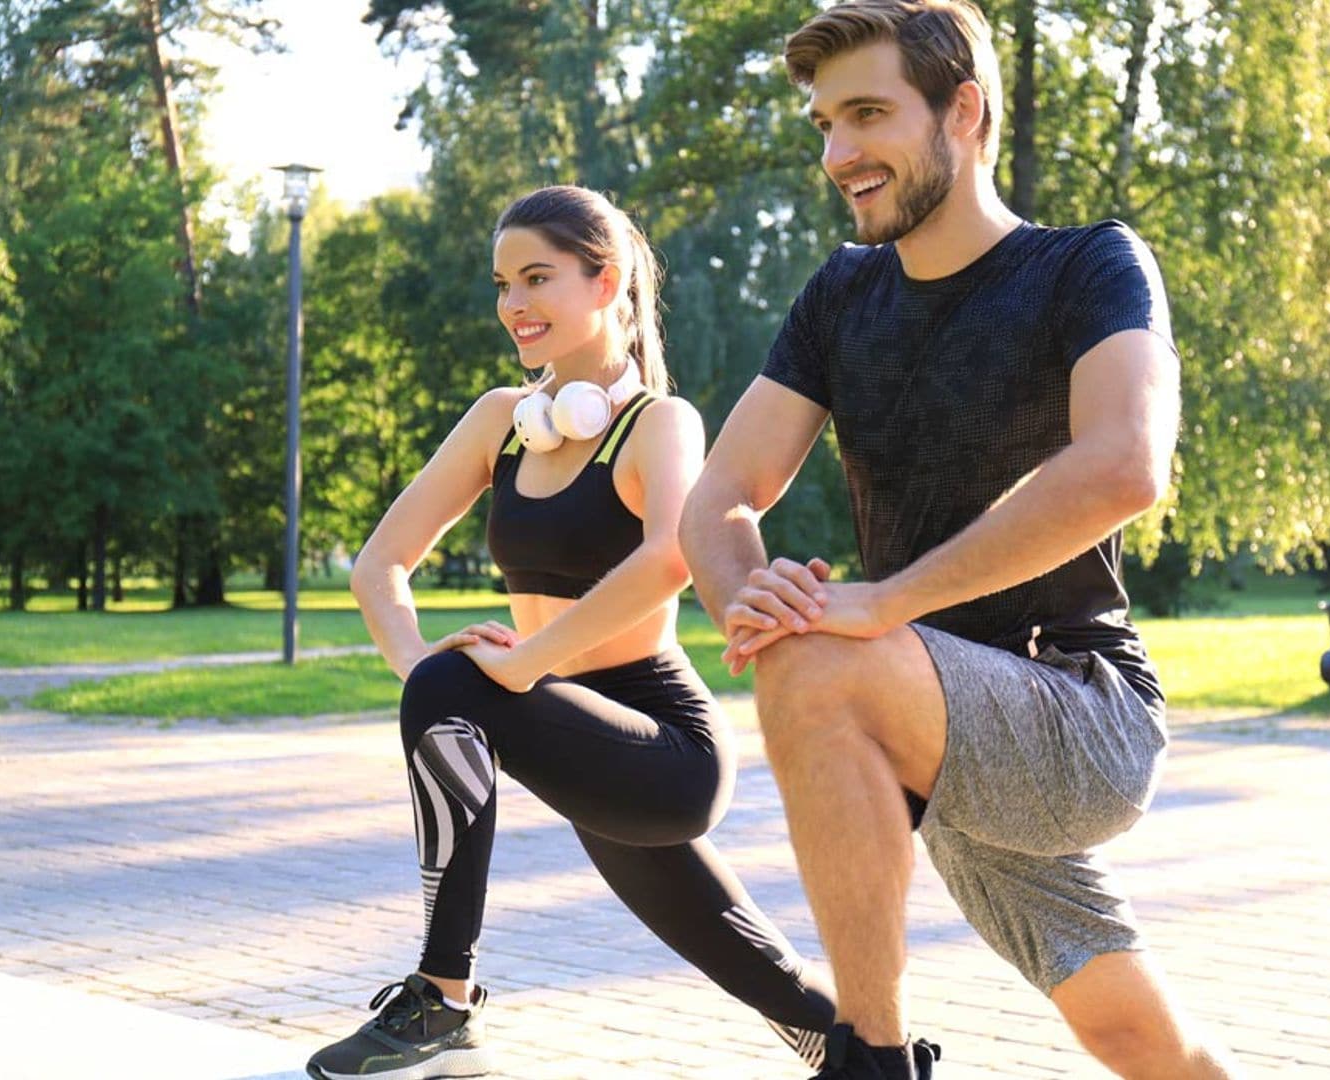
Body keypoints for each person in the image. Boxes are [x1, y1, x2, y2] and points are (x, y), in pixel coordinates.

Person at [679, 3, 1243, 1079]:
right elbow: (715, 505)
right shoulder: (845, 292)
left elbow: (1127, 462)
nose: (840, 153)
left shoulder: (1088, 266)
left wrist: (878, 607)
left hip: (1076, 711)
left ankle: (871, 1060)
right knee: (1142, 1044)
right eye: (825, 125)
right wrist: (753, 601)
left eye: (868, 114)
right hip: (927, 727)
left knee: (820, 658)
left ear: (964, 113)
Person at [309, 185, 837, 1080]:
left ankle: (444, 997)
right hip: (563, 721)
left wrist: (523, 668)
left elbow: (672, 556)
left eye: (538, 277)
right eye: (502, 283)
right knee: (743, 956)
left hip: (662, 742)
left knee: (460, 685)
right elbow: (377, 568)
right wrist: (420, 670)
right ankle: (866, 1050)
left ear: (608, 282)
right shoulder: (500, 424)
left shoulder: (658, 424)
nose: (514, 303)